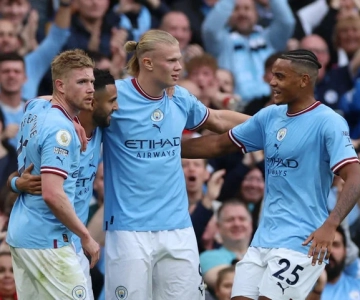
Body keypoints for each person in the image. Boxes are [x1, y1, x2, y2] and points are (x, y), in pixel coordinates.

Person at [181, 49, 360, 300]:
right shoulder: (269, 117)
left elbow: (355, 176)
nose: (271, 81)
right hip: (263, 239)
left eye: (280, 76)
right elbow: (218, 145)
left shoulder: (328, 122)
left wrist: (331, 225)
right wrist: (163, 146)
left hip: (302, 239)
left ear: (303, 80)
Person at [102, 29, 251, 300]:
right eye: (171, 60)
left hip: (178, 227)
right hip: (128, 228)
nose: (179, 67)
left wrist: (270, 123)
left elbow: (217, 120)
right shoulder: (115, 95)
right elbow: (71, 104)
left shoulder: (179, 97)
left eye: (179, 59)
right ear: (147, 63)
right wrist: (47, 106)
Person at [8, 68, 118, 299]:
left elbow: (38, 101)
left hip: (63, 242)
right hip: (47, 241)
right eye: (112, 101)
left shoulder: (95, 128)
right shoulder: (58, 131)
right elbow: (49, 192)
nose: (117, 107)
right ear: (91, 102)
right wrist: (18, 183)